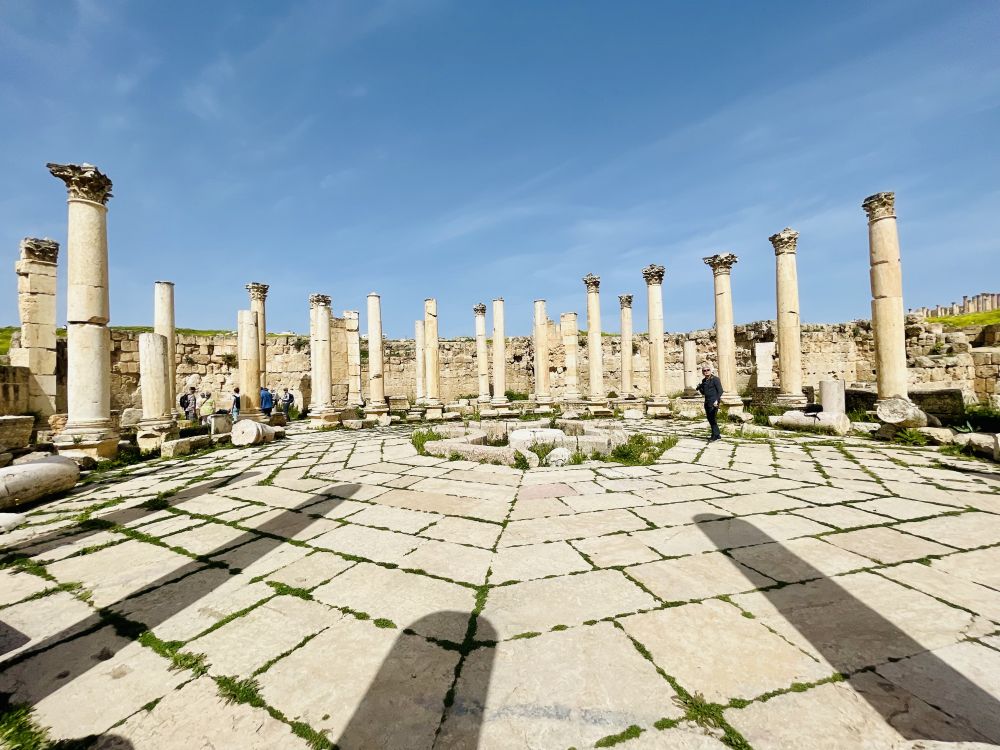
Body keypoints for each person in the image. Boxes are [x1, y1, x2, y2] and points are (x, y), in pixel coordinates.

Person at [696, 364, 724, 441]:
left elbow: (720, 391)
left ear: (710, 371)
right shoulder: (704, 381)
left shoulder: (715, 379)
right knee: (709, 418)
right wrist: (700, 388)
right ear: (702, 372)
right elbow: (704, 393)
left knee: (712, 418)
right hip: (707, 402)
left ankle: (714, 435)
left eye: (708, 370)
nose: (706, 372)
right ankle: (717, 434)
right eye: (704, 370)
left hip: (714, 402)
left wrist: (716, 400)